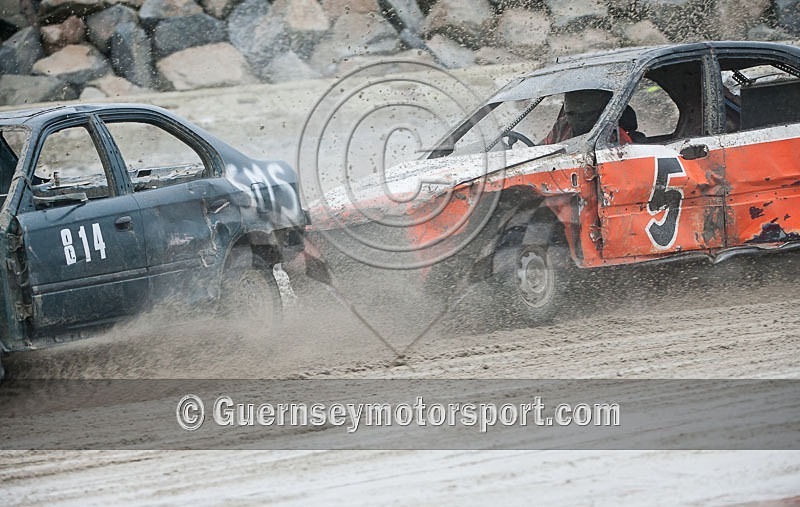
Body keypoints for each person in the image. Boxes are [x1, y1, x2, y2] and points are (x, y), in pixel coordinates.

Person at [543, 89, 637, 145]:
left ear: (601, 113)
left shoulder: (614, 135)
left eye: (586, 115)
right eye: (571, 114)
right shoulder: (562, 126)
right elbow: (541, 149)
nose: (578, 119)